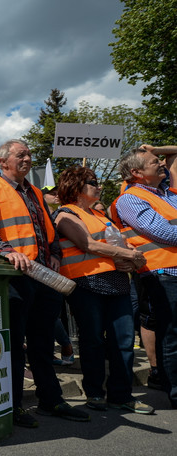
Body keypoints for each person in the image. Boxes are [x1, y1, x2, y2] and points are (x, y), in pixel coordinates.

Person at [0, 139, 90, 428]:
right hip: (15, 279)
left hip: (44, 277)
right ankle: (12, 407)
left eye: (29, 154)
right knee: (14, 344)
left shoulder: (36, 192)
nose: (28, 158)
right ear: (3, 162)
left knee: (42, 343)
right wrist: (8, 251)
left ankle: (51, 400)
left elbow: (48, 231)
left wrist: (54, 255)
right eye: (21, 154)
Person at [53, 165, 152, 414]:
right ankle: (95, 394)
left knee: (124, 341)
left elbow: (116, 243)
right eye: (93, 182)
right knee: (93, 340)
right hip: (87, 285)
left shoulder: (101, 216)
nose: (99, 186)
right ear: (76, 187)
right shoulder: (65, 214)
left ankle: (121, 395)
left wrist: (129, 258)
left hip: (118, 283)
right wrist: (127, 254)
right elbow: (87, 243)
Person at [113, 146, 177, 409]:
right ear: (137, 172)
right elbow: (164, 232)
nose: (161, 163)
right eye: (154, 161)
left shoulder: (168, 195)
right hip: (163, 275)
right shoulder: (130, 199)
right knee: (171, 335)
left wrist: (158, 148)